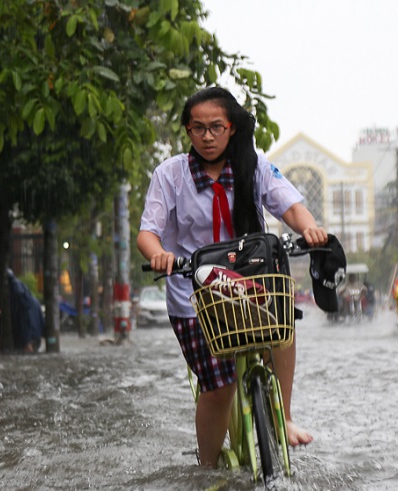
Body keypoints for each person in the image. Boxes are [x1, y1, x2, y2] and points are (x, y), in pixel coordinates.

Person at [137, 87, 324, 467]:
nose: (207, 136)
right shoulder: (170, 175)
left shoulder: (252, 166)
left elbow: (290, 206)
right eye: (198, 128)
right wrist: (158, 255)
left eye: (216, 127)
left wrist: (311, 230)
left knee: (282, 327)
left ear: (232, 129)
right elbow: (147, 232)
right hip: (194, 297)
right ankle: (205, 468)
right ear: (188, 131)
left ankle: (284, 417)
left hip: (248, 283)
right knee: (219, 388)